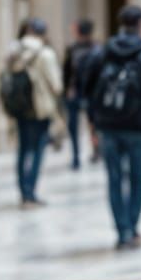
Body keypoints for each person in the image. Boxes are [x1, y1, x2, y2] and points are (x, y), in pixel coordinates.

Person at [81, 4, 141, 250]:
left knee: (114, 178)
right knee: (137, 178)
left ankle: (121, 230)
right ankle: (132, 227)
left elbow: (86, 89)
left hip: (108, 125)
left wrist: (93, 122)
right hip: (139, 126)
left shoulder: (102, 53)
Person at [3, 18, 62, 207]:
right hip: (40, 108)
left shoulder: (13, 52)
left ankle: (22, 191)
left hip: (19, 106)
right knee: (37, 149)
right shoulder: (45, 54)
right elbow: (56, 85)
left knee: (22, 149)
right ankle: (31, 192)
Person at [62, 19, 100, 170]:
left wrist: (66, 90)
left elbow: (66, 73)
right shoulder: (98, 48)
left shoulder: (73, 49)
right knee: (94, 124)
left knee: (75, 126)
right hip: (92, 93)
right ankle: (95, 151)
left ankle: (76, 156)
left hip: (76, 92)